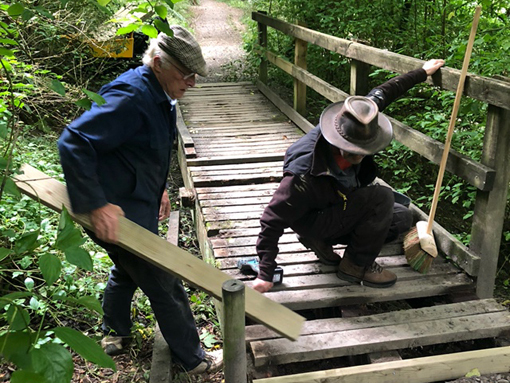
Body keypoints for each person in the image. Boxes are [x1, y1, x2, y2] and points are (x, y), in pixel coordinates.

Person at [58, 26, 223, 375]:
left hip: (138, 201)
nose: (192, 83)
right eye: (187, 75)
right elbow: (73, 141)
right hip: (116, 211)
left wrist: (159, 187)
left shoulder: (161, 92)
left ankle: (114, 331)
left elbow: (150, 148)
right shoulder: (131, 97)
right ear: (160, 63)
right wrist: (97, 204)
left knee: (127, 267)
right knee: (163, 279)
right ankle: (195, 359)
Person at [253, 59, 445, 294]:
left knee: (400, 218)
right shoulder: (304, 174)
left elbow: (383, 92)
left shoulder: (358, 120)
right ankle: (355, 266)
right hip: (313, 218)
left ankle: (323, 245)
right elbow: (271, 219)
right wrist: (265, 272)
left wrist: (422, 72)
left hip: (338, 203)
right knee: (381, 197)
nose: (361, 155)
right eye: (354, 149)